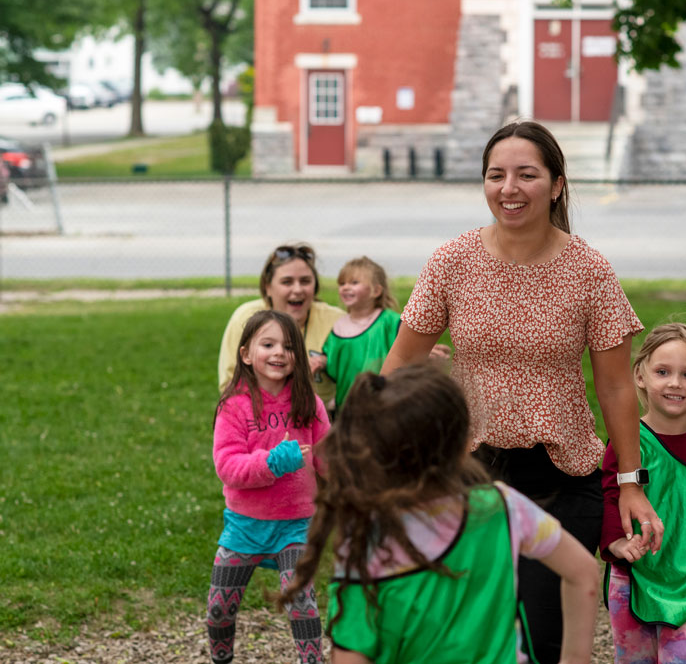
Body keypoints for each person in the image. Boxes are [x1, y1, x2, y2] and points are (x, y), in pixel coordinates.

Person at [379, 120, 661, 663]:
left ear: (556, 184)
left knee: (541, 640)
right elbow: (399, 368)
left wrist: (630, 484)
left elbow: (617, 388)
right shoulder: (451, 261)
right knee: (467, 636)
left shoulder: (589, 270)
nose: (509, 188)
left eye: (526, 175)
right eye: (496, 175)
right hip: (465, 478)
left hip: (562, 482)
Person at [280, 364, 599, 664]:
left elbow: (351, 654)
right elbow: (583, 572)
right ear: (463, 445)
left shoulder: (366, 541)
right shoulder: (501, 507)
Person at [601, 323, 686, 663]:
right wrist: (616, 543)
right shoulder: (627, 438)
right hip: (634, 570)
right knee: (634, 659)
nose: (675, 383)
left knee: (681, 658)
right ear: (640, 376)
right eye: (663, 372)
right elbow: (608, 495)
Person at [207, 310, 330, 664]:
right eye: (268, 344)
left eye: (289, 346)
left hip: (296, 524)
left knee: (302, 604)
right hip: (244, 527)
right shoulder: (234, 407)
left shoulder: (310, 404)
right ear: (246, 354)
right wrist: (274, 463)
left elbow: (328, 458)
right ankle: (222, 658)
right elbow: (227, 466)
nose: (279, 353)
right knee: (219, 610)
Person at [218, 243, 342, 406]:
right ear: (268, 287)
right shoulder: (246, 317)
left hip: (325, 417)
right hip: (259, 415)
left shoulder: (337, 321)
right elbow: (230, 385)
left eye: (305, 281)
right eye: (287, 282)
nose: (297, 290)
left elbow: (355, 377)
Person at [321, 256, 402, 413]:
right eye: (342, 283)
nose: (345, 287)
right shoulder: (338, 326)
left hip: (386, 406)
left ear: (376, 290)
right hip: (347, 407)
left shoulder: (390, 322)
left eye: (354, 283)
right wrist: (321, 361)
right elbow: (332, 362)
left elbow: (409, 350)